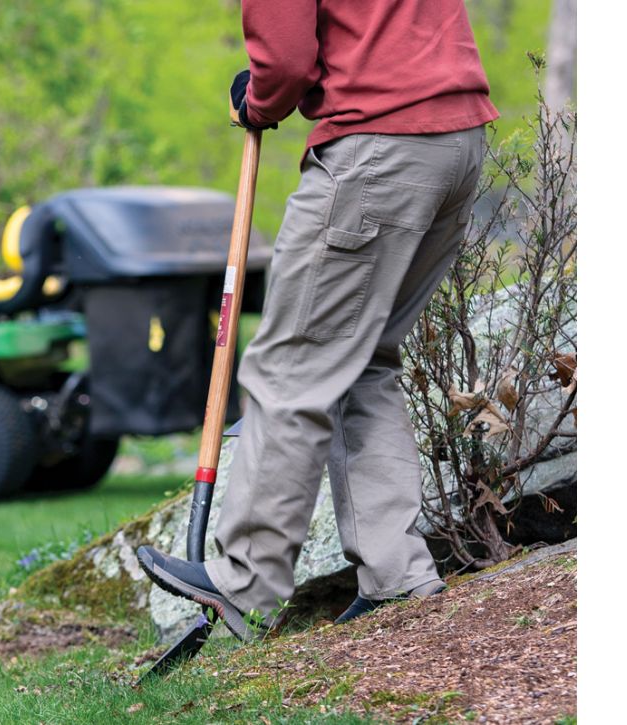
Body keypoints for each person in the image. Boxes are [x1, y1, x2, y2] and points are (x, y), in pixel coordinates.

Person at [137, 0, 499, 640]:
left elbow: (284, 61)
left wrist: (260, 100)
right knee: (363, 361)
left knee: (290, 369)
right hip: (456, 140)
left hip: (378, 147)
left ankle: (244, 579)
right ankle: (397, 576)